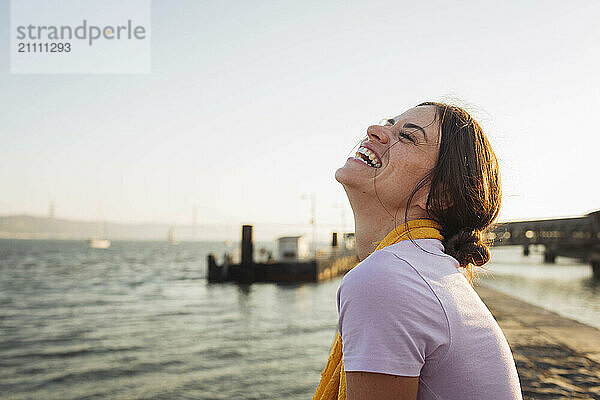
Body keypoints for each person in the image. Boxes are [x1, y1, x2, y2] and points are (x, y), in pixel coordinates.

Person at [313, 102, 522, 399]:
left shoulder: (387, 279)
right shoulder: (426, 271)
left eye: (408, 136)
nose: (375, 130)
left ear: (440, 194)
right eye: (388, 123)